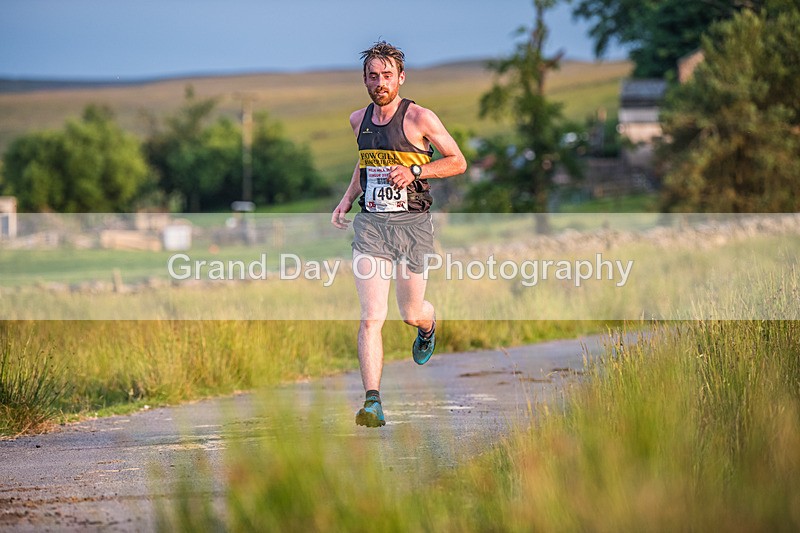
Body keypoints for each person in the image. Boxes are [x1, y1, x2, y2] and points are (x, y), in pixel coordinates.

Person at [331, 41, 467, 428]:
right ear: (364, 80)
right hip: (372, 226)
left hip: (413, 227)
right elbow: (364, 163)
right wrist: (347, 199)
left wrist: (416, 171)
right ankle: (372, 402)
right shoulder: (358, 120)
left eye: (387, 75)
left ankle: (428, 326)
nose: (380, 83)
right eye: (373, 76)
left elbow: (458, 161)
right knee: (371, 317)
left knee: (410, 313)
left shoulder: (420, 118)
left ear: (401, 78)